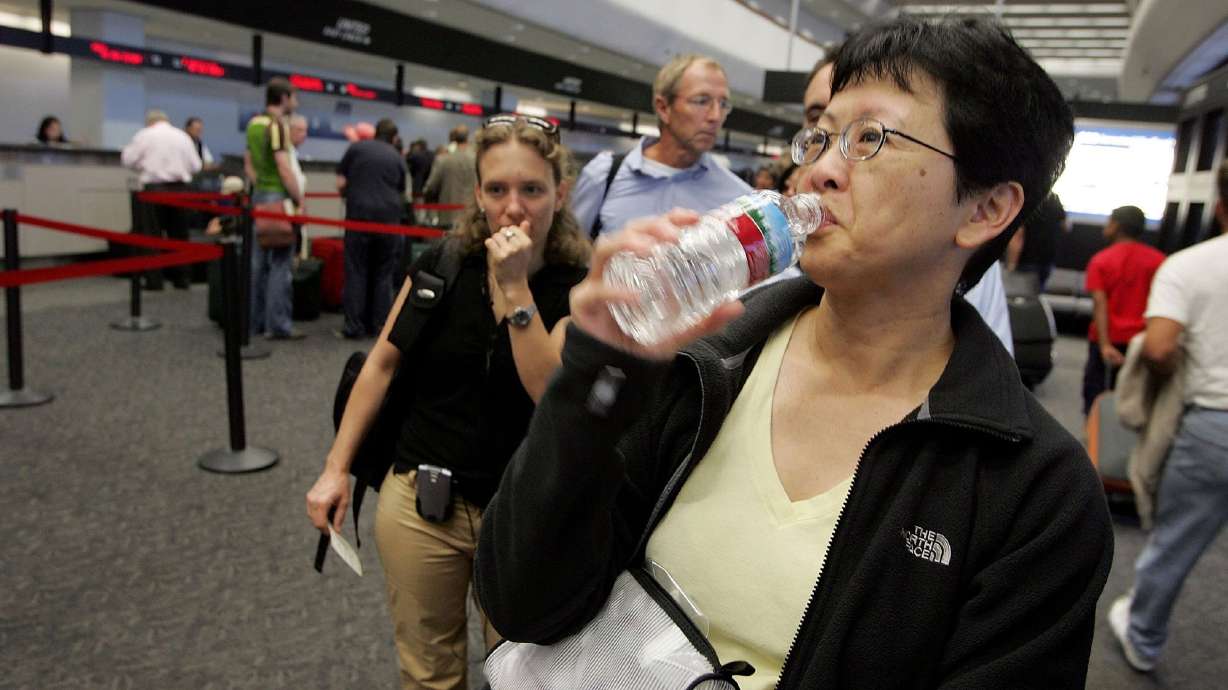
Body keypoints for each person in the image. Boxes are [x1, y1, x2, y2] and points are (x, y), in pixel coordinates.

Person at [476, 16, 1112, 689]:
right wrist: (594, 379)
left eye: (872, 138)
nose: (820, 172)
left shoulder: (1037, 493)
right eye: (820, 137)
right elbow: (524, 602)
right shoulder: (703, 360)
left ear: (985, 209)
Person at [306, 115, 590, 690]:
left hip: (521, 514)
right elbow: (380, 366)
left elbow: (549, 394)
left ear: (559, 195)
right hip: (421, 501)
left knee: (519, 671)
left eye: (532, 190)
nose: (514, 207)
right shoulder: (441, 266)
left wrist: (515, 290)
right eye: (497, 190)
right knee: (427, 667)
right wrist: (335, 469)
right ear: (477, 194)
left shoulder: (576, 286)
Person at [1108, 160, 1228, 673]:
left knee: (1176, 541)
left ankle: (1143, 638)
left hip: (1214, 425)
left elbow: (1159, 348)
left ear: (1220, 205)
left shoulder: (1192, 265)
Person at [570, 54, 751, 239]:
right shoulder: (604, 176)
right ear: (664, 108)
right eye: (702, 101)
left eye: (723, 104)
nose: (715, 116)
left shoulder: (738, 199)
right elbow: (570, 254)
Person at [1080, 205, 1165, 414]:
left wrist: (1104, 345)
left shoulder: (1101, 260)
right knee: (1134, 399)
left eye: (1109, 222)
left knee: (1097, 398)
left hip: (1106, 340)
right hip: (1141, 342)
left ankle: (1093, 440)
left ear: (1116, 226)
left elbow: (1100, 304)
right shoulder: (1159, 261)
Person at [335, 118, 408, 339]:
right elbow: (402, 190)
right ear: (394, 138)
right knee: (383, 274)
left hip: (359, 218)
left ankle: (354, 326)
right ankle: (380, 326)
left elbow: (340, 183)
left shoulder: (356, 148)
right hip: (389, 221)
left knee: (356, 270)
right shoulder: (397, 157)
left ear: (375, 132)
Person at [244, 76, 304, 340]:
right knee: (281, 262)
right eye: (293, 97)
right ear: (283, 99)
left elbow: (248, 164)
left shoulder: (253, 124)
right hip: (278, 197)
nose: (296, 102)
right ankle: (278, 325)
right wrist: (297, 196)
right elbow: (283, 166)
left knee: (257, 263)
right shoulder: (276, 125)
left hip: (259, 197)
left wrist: (260, 189)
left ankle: (253, 323)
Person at [121, 109, 202, 290]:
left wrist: (143, 166)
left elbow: (127, 159)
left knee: (152, 236)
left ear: (150, 122)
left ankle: (154, 280)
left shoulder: (145, 135)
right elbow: (196, 165)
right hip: (180, 190)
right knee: (180, 236)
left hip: (154, 190)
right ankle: (182, 279)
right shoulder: (182, 136)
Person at [1007, 192, 1067, 292]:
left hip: (1027, 259)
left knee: (1019, 299)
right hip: (1047, 259)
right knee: (1036, 296)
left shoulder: (1025, 197)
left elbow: (1018, 235)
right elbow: (1065, 226)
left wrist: (1011, 264)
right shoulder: (1054, 197)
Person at [422, 125, 476, 227]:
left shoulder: (443, 160)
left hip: (447, 216)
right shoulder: (478, 160)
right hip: (471, 218)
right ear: (467, 137)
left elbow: (431, 187)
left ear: (453, 138)